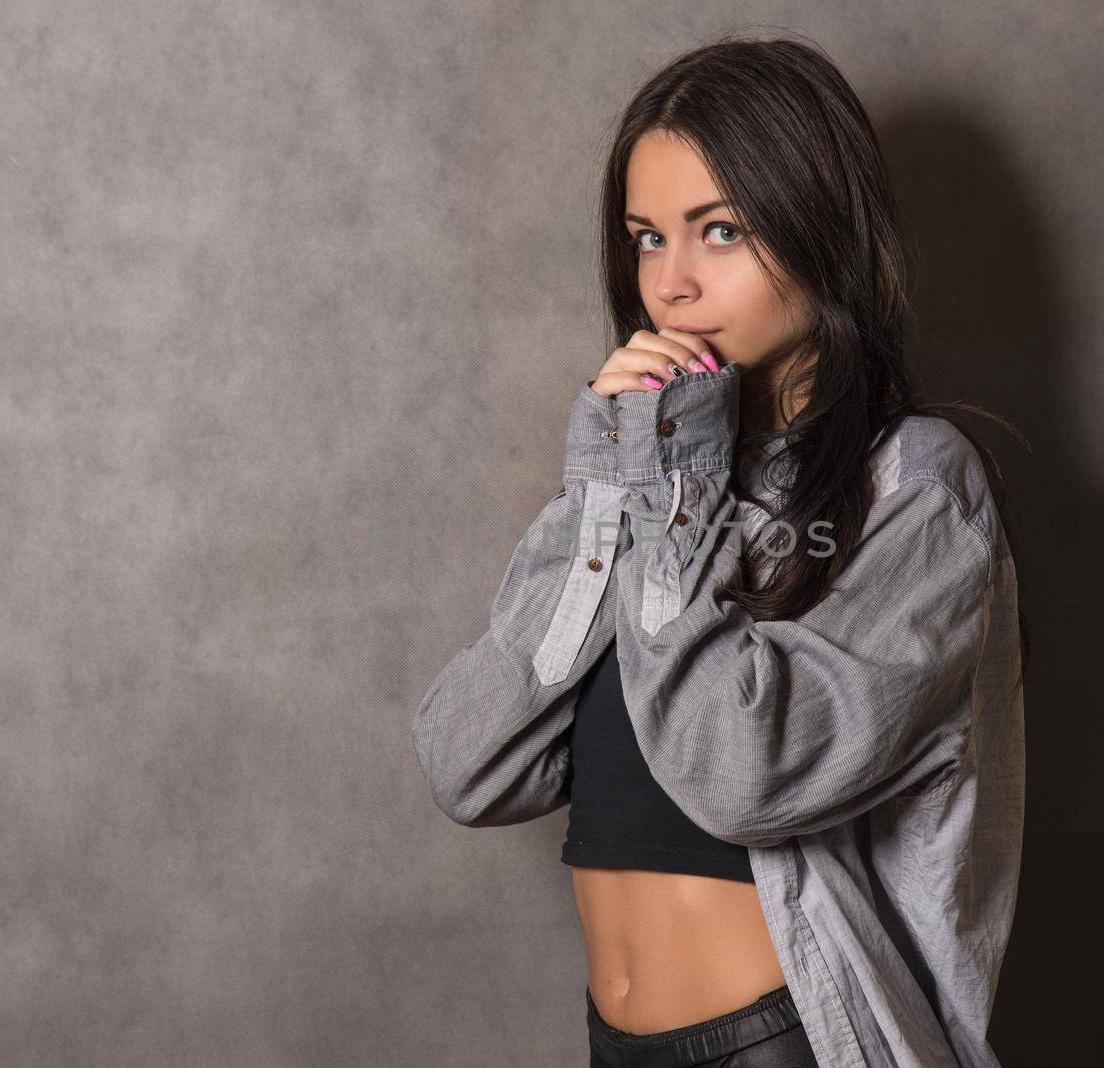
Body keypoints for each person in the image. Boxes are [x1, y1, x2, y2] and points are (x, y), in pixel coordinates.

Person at [413, 32, 1029, 1068]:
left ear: (819, 229)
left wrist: (679, 480)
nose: (672, 284)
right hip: (616, 1044)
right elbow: (471, 765)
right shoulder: (647, 476)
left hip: (786, 1044)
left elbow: (740, 774)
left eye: (720, 230)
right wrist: (614, 487)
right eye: (647, 237)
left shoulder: (915, 486)